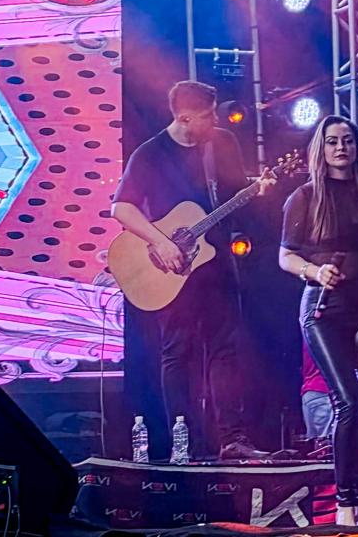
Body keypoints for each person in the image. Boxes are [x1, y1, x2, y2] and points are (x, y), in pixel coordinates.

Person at [112, 80, 268, 461]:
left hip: (216, 263)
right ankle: (187, 444)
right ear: (183, 118)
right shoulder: (151, 153)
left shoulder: (222, 144)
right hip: (172, 269)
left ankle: (231, 439)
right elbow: (122, 208)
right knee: (177, 351)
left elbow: (234, 193)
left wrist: (256, 189)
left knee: (225, 349)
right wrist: (161, 242)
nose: (214, 121)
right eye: (206, 116)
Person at [279, 117, 358, 526]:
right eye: (332, 141)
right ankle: (345, 504)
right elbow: (285, 255)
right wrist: (314, 272)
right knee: (349, 401)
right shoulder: (304, 197)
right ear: (322, 148)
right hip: (324, 310)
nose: (340, 147)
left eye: (347, 140)